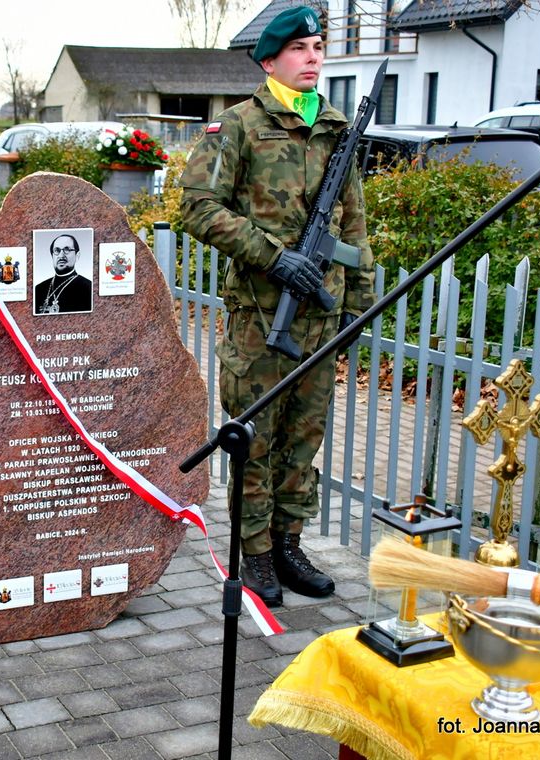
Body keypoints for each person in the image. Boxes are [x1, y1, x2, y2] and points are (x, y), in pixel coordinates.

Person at [179, 5, 375, 608]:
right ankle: (255, 553)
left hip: (320, 315)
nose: (314, 56)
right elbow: (198, 206)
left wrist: (357, 304)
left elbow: (353, 223)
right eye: (300, 49)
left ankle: (289, 544)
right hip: (261, 321)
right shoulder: (237, 126)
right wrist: (272, 256)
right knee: (256, 441)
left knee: (302, 440)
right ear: (270, 61)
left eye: (318, 46)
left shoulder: (338, 128)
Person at [34, 232, 93, 314]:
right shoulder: (38, 289)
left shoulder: (89, 288)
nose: (61, 255)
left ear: (77, 255)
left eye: (67, 250)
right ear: (52, 256)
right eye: (56, 250)